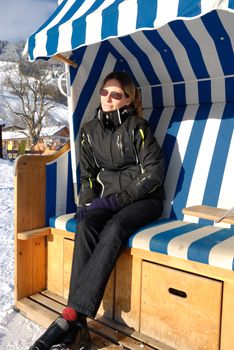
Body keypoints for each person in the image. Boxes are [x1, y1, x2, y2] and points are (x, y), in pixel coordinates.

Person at [29, 72, 165, 350]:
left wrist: (118, 201)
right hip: (109, 199)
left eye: (116, 94)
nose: (108, 98)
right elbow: (88, 174)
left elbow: (154, 172)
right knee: (87, 223)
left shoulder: (138, 127)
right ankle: (79, 328)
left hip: (144, 200)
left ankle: (69, 316)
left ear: (128, 99)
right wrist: (86, 200)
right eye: (105, 92)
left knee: (115, 227)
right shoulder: (90, 131)